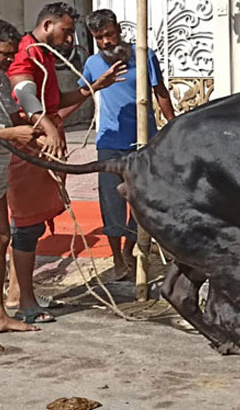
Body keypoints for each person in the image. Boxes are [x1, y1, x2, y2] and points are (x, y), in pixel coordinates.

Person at [4, 2, 125, 324]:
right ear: (47, 25)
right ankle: (25, 303)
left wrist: (94, 88)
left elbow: (54, 101)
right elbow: (26, 93)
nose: (71, 38)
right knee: (23, 228)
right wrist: (46, 127)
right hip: (25, 149)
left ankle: (19, 291)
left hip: (41, 150)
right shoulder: (25, 52)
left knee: (31, 224)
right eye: (67, 30)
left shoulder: (45, 56)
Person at [82, 9, 174, 279]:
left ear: (119, 31)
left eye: (109, 35)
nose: (105, 42)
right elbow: (81, 91)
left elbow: (160, 91)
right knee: (111, 201)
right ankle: (117, 260)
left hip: (143, 141)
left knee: (141, 198)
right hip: (109, 141)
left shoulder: (144, 56)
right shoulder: (92, 63)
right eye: (99, 38)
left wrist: (173, 123)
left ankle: (129, 250)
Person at [0, 18, 43, 335]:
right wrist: (15, 132)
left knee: (1, 238)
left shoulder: (0, 81)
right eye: (4, 53)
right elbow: (8, 128)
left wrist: (34, 133)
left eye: (13, 54)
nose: (10, 60)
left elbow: (9, 118)